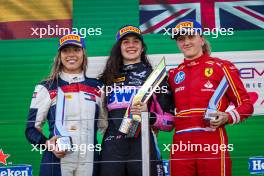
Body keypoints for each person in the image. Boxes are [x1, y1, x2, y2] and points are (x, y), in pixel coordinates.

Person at [167, 19, 254, 176]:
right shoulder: (173, 74)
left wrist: (227, 117)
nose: (186, 42)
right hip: (181, 144)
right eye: (181, 39)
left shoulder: (221, 67)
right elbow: (165, 112)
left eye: (191, 37)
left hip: (212, 141)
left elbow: (246, 105)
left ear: (201, 39)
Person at [25, 33, 107, 176]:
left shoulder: (98, 87)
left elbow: (106, 128)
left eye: (76, 50)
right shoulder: (46, 87)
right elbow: (31, 129)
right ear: (59, 55)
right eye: (66, 50)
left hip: (90, 161)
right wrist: (48, 144)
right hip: (56, 160)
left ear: (84, 53)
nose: (71, 55)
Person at [98, 25, 175, 176]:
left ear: (142, 47)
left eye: (136, 41)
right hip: (112, 148)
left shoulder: (156, 78)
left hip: (143, 147)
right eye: (126, 41)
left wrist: (149, 115)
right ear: (119, 47)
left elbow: (169, 122)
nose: (131, 45)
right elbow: (98, 118)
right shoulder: (106, 79)